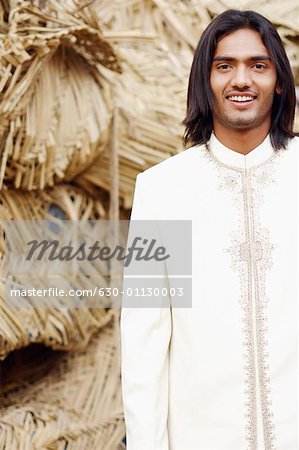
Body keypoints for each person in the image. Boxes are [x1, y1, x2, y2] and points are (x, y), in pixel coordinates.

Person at [120, 9, 298, 450]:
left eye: (258, 65)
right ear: (206, 81)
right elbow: (143, 350)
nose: (241, 79)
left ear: (279, 81)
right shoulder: (161, 190)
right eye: (225, 66)